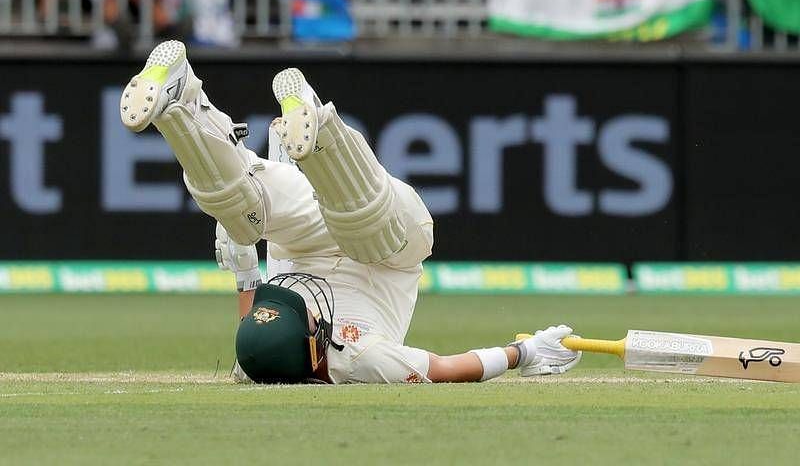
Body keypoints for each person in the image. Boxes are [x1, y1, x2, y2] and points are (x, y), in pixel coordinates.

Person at [120, 39, 582, 383]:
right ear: (316, 348)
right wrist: (525, 352)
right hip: (392, 250)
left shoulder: (255, 358)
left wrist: (243, 258)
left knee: (241, 209)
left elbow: (251, 313)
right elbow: (446, 368)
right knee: (362, 226)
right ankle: (319, 130)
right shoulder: (360, 358)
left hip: (299, 241)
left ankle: (177, 106)